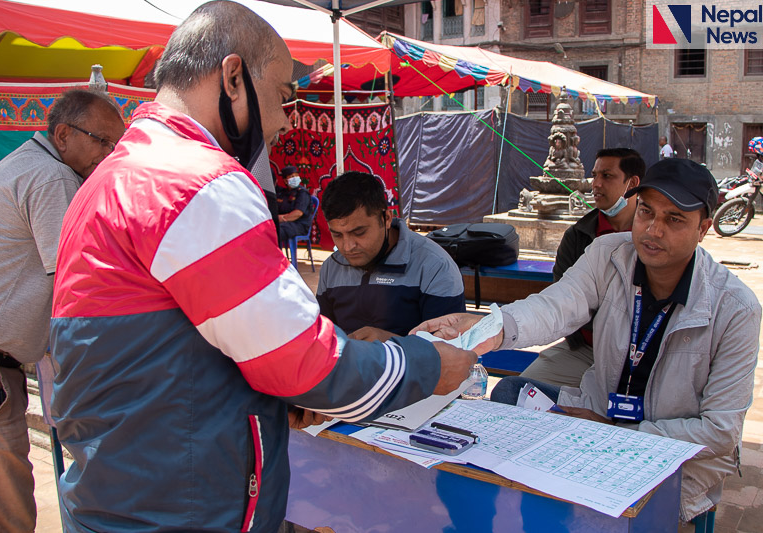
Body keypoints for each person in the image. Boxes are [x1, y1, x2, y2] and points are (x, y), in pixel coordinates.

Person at [49, 3, 476, 531]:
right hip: (183, 510)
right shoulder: (197, 184)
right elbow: (306, 364)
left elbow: (164, 354)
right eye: (280, 96)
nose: (283, 121)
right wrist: (430, 364)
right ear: (233, 78)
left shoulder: (112, 178)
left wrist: (265, 399)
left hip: (120, 493)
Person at [412, 158, 761, 522]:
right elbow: (556, 306)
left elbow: (719, 431)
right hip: (597, 418)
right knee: (510, 394)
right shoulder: (609, 254)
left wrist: (619, 433)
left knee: (600, 507)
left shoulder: (735, 308)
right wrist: (489, 325)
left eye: (674, 220)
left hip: (668, 448)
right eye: (646, 212)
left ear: (704, 228)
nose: (653, 230)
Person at [0, 88, 124, 533]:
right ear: (64, 134)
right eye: (102, 141)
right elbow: (78, 286)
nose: (109, 154)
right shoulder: (53, 177)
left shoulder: (26, 165)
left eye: (117, 144)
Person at [521, 148, 645, 387]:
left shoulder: (651, 236)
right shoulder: (578, 236)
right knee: (524, 389)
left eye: (607, 176)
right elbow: (563, 299)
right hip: (586, 350)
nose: (595, 184)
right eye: (594, 175)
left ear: (632, 183)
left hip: (641, 354)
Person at [316, 171, 466, 342]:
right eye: (337, 235)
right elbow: (324, 337)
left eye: (359, 232)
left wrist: (389, 343)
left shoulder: (435, 266)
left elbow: (450, 351)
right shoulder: (331, 267)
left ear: (386, 218)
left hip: (416, 369)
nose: (348, 246)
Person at [276, 165, 312, 244]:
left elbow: (298, 213)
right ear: (285, 181)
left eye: (296, 176)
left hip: (299, 224)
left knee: (277, 231)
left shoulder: (302, 193)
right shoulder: (283, 193)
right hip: (287, 223)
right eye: (292, 176)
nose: (295, 178)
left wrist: (282, 218)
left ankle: (276, 255)